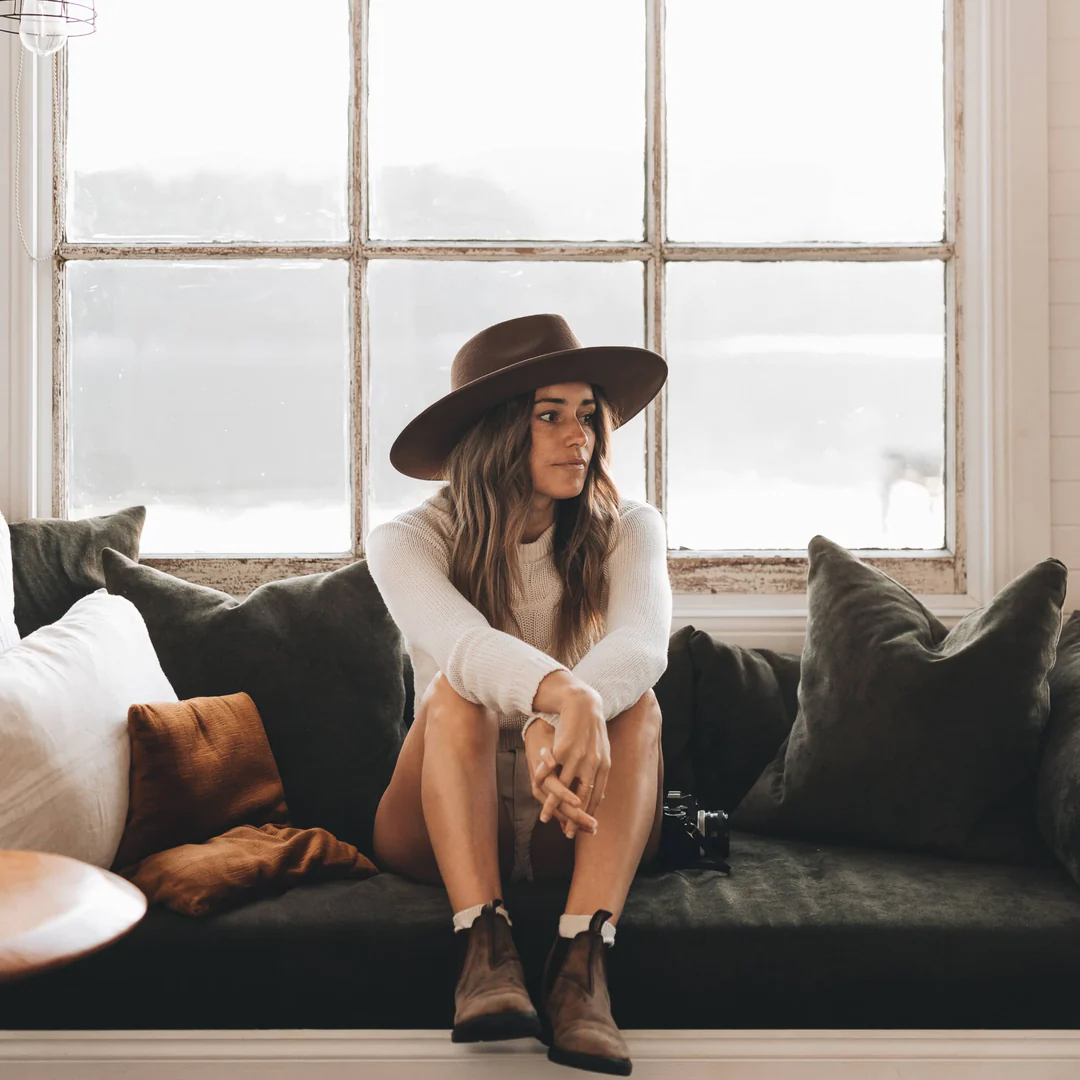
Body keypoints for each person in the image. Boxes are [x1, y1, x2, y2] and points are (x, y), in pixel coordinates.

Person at [365, 312, 672, 1076]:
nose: (582, 438)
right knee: (454, 696)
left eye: (588, 415)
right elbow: (462, 648)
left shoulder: (630, 527)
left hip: (574, 812)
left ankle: (582, 966)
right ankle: (483, 945)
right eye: (550, 415)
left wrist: (562, 716)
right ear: (496, 432)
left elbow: (640, 643)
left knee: (637, 704)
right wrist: (558, 699)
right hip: (441, 813)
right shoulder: (406, 540)